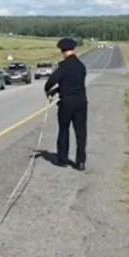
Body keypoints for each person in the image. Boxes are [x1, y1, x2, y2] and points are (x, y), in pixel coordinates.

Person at [44, 37, 88, 171]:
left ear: (63, 51)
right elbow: (73, 84)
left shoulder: (63, 66)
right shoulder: (81, 66)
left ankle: (63, 159)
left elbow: (52, 80)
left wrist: (49, 90)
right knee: (81, 133)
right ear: (73, 49)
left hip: (67, 103)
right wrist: (58, 90)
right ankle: (80, 162)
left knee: (64, 130)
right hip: (81, 102)